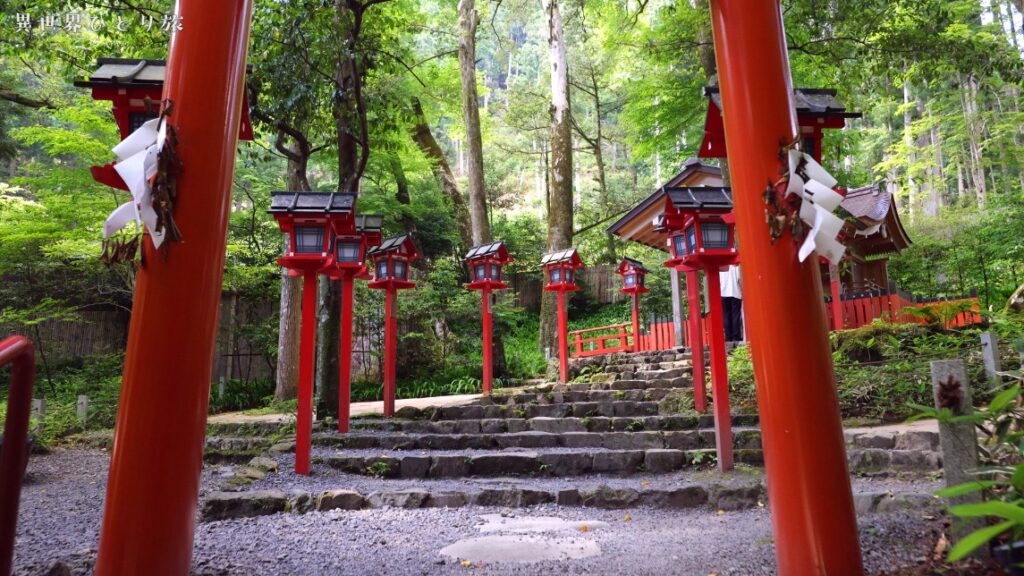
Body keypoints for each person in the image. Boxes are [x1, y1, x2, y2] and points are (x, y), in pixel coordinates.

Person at [719, 265, 743, 342]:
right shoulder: (735, 266)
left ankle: (728, 336)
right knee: (735, 315)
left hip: (723, 293)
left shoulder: (720, 267)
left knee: (726, 315)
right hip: (735, 292)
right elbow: (739, 280)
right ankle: (736, 336)